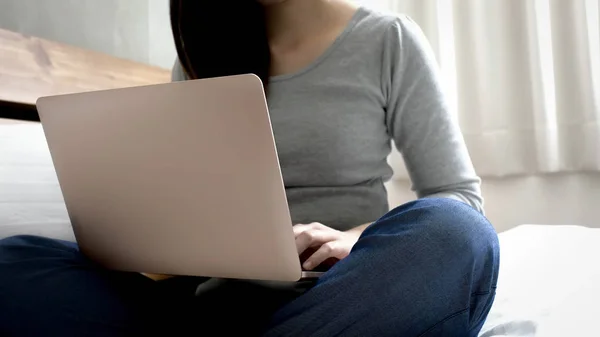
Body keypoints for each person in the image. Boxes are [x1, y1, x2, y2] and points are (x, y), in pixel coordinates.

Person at [0, 0, 499, 336]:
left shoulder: (387, 39)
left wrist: (355, 240)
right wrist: (154, 242)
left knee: (456, 233)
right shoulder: (197, 58)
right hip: (209, 303)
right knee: (17, 261)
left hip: (335, 290)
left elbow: (458, 193)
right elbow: (190, 203)